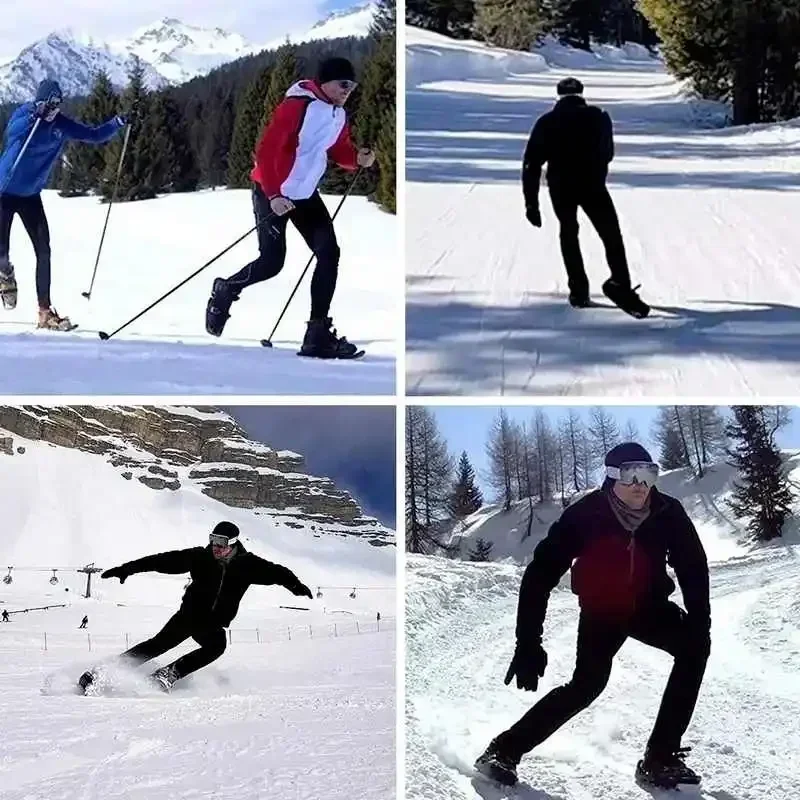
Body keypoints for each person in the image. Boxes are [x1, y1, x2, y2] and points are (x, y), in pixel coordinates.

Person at [475, 443, 711, 790]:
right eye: (631, 474)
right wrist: (528, 641)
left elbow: (693, 567)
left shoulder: (667, 512)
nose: (640, 485)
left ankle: (659, 758)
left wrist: (699, 623)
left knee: (694, 647)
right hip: (603, 611)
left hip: (649, 607)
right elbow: (540, 573)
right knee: (586, 686)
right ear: (612, 476)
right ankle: (503, 751)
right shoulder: (586, 514)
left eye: (648, 475)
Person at [205, 57, 376, 358]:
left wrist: (356, 159)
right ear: (325, 82)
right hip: (273, 189)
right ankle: (226, 289)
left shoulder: (338, 114)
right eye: (343, 84)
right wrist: (272, 195)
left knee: (329, 253)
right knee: (272, 262)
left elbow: (337, 149)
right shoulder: (297, 106)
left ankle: (317, 335)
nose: (348, 90)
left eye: (353, 85)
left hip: (305, 194)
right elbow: (267, 152)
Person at [79, 521, 313, 692]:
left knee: (217, 645)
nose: (216, 547)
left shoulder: (248, 565)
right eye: (213, 541)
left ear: (233, 544)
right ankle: (100, 673)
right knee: (157, 645)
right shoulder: (200, 557)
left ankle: (166, 675)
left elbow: (278, 572)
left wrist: (295, 585)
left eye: (221, 543)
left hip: (212, 624)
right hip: (189, 615)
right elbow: (162, 560)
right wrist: (127, 568)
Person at [0, 79, 127, 329]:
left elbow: (93, 135)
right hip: (3, 191)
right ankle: (5, 273)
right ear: (40, 101)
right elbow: (11, 131)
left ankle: (44, 312)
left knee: (44, 251)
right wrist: (33, 118)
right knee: (1, 251)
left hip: (30, 195)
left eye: (58, 105)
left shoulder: (60, 124)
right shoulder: (25, 114)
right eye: (50, 104)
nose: (54, 110)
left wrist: (118, 122)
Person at [522, 77, 649, 318]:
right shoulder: (599, 116)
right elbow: (608, 153)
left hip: (561, 187)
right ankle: (619, 283)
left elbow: (532, 163)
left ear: (558, 95)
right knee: (611, 233)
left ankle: (579, 291)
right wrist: (596, 168)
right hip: (593, 185)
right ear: (581, 93)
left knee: (568, 232)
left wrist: (531, 202)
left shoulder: (546, 121)